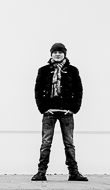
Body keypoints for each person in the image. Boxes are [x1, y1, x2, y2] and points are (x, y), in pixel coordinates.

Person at [32, 43, 87, 182]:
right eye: (55, 52)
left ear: (65, 54)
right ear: (51, 54)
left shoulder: (73, 71)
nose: (57, 54)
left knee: (69, 143)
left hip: (67, 113)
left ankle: (74, 173)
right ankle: (41, 172)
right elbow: (37, 91)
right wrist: (43, 108)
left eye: (60, 52)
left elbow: (78, 91)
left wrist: (74, 109)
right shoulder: (43, 70)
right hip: (49, 113)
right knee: (46, 143)